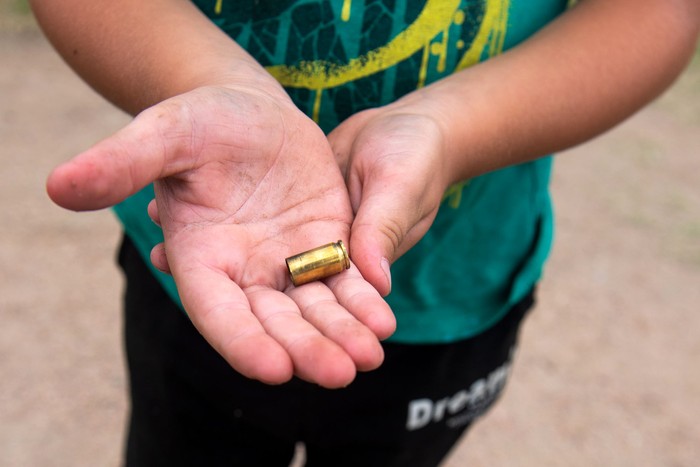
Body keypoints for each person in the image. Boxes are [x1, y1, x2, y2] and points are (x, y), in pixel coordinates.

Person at [30, 0, 698, 465]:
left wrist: (449, 129)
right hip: (201, 275)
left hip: (454, 293)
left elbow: (660, 11)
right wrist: (207, 79)